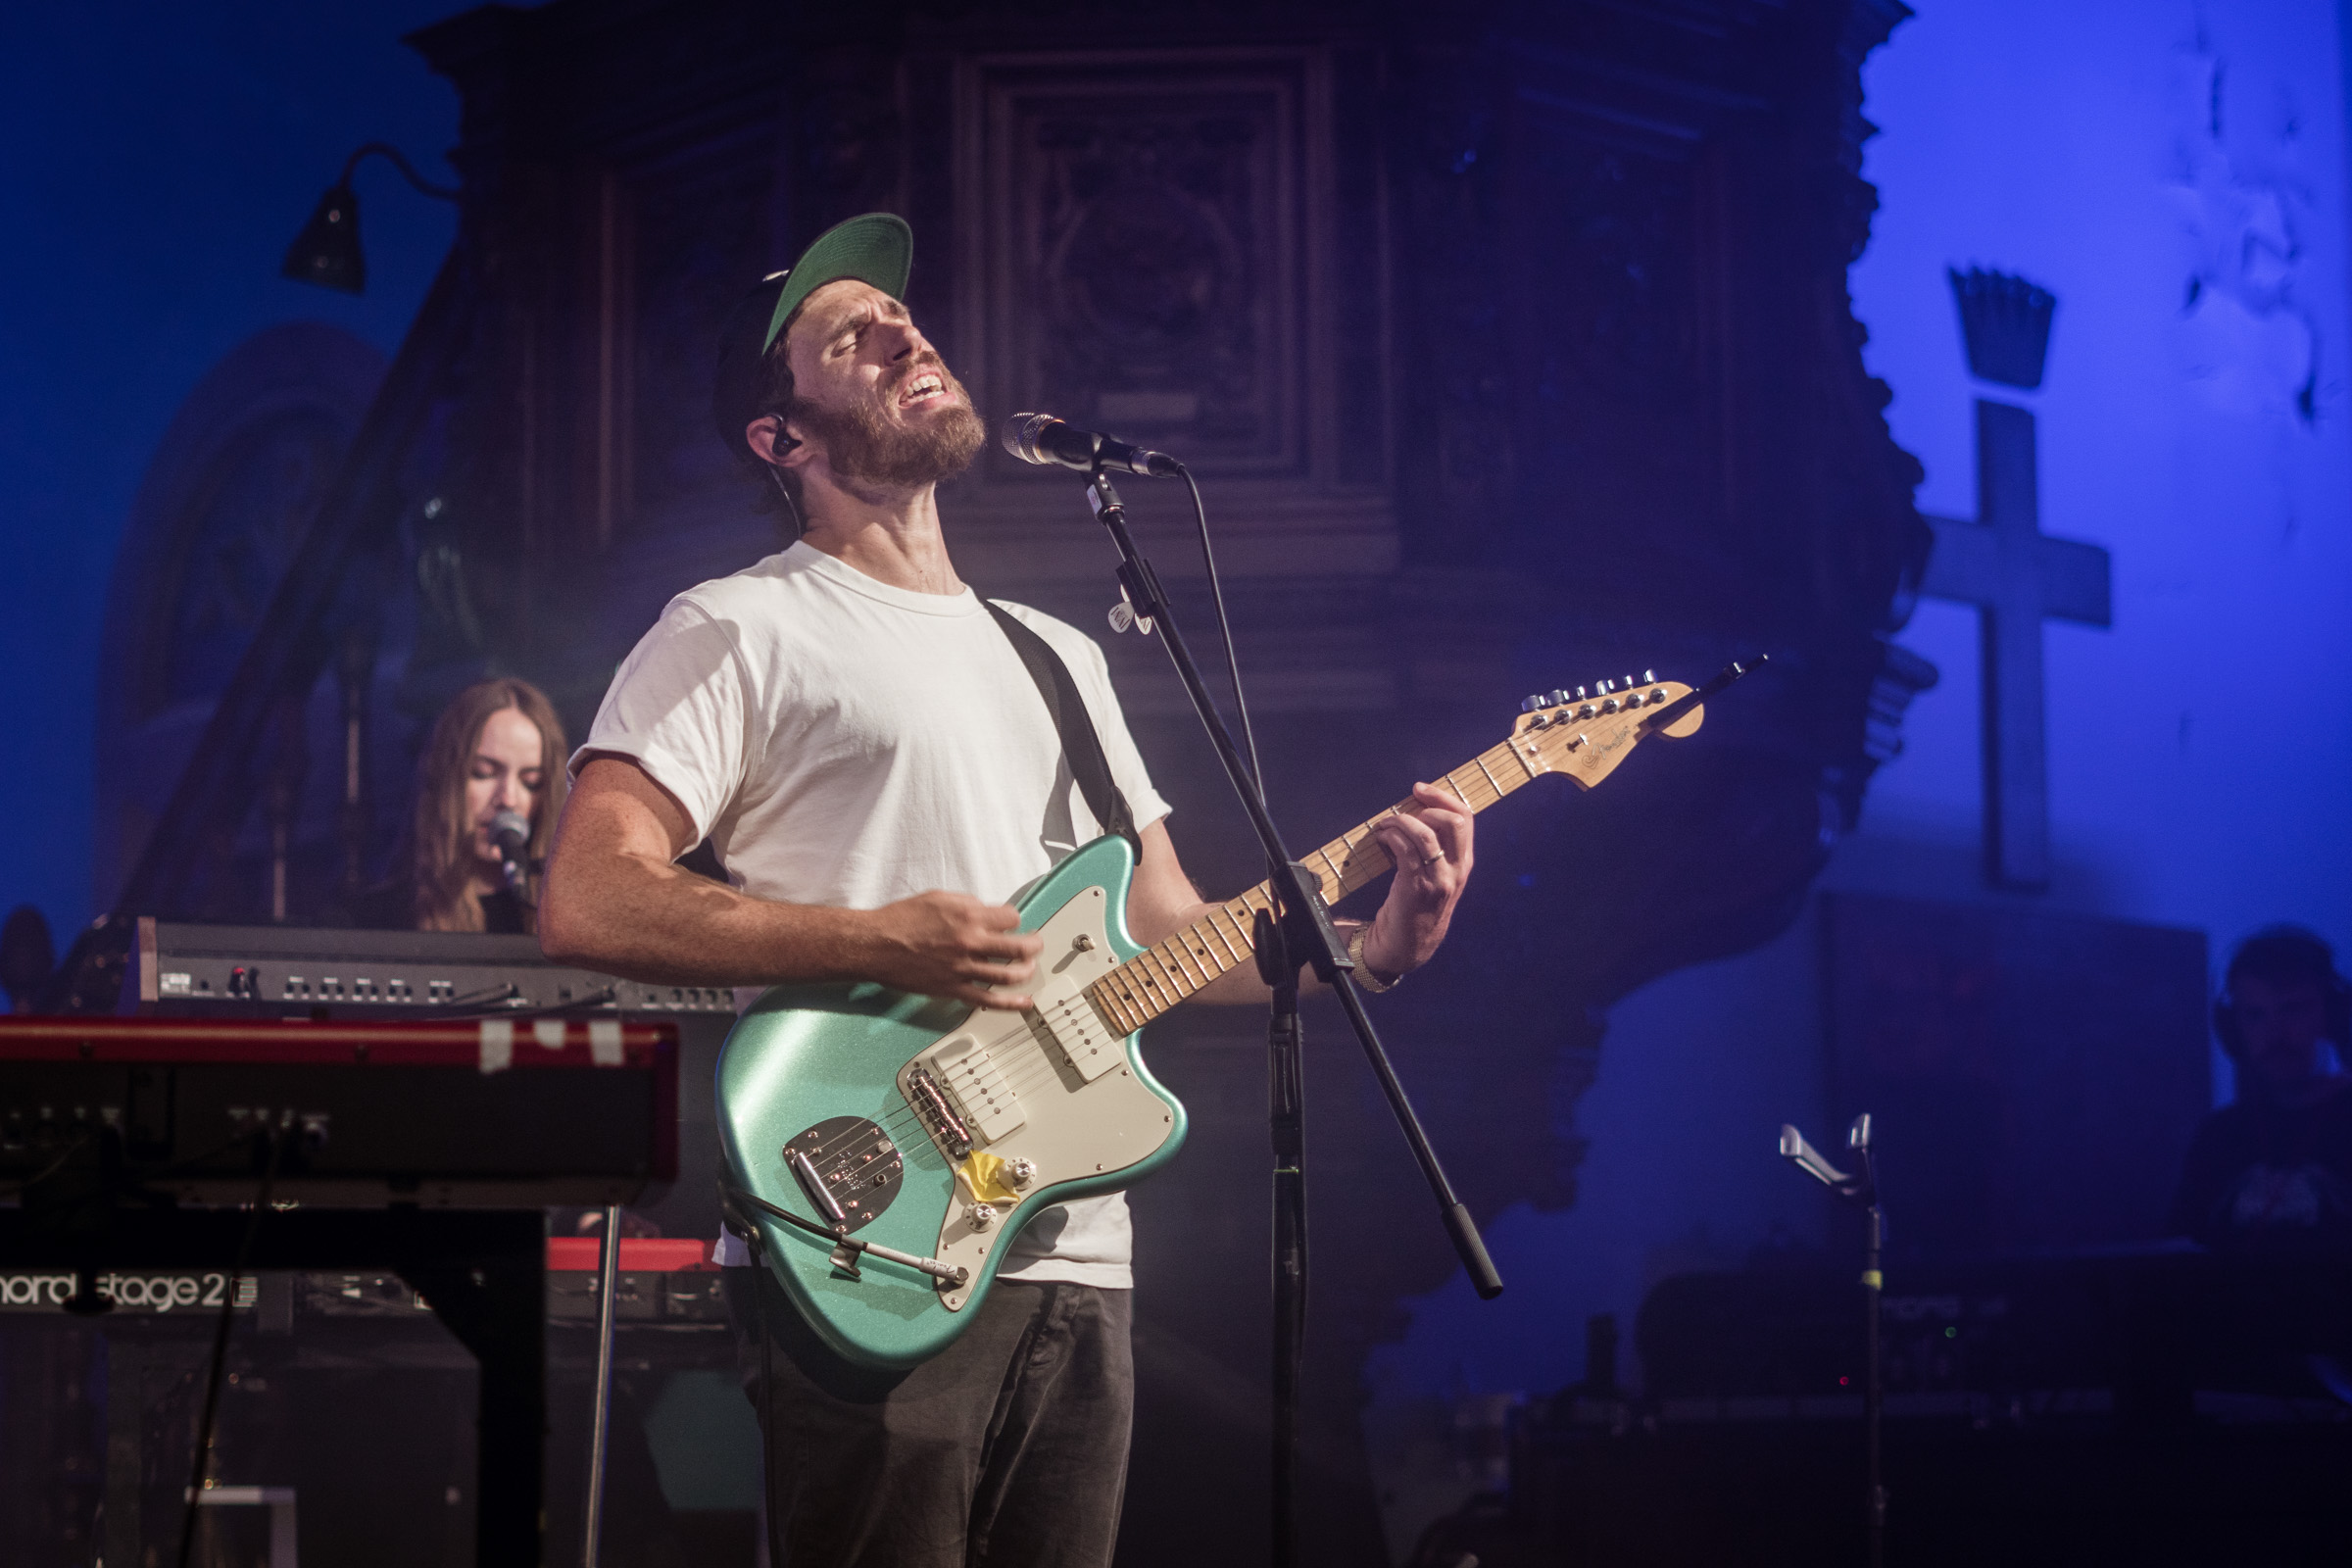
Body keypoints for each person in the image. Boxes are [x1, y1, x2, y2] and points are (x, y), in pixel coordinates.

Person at [538, 212, 1475, 1568]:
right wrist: (875, 941)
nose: (902, 335)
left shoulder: (1053, 655)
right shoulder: (737, 625)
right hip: (864, 1228)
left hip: (1071, 1245)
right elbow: (590, 896)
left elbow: (1165, 933)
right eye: (847, 336)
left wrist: (1371, 946)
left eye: (901, 318)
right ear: (779, 436)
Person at [2168, 925, 2352, 1250]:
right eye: (2254, 1015)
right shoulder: (2218, 1137)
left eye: (2293, 1009)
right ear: (2234, 1028)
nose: (2275, 1033)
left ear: (2333, 1016)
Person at [400, 677, 569, 933]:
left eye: (531, 782)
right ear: (446, 779)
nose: (508, 799)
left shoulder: (565, 920)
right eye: (483, 772)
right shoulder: (385, 914)